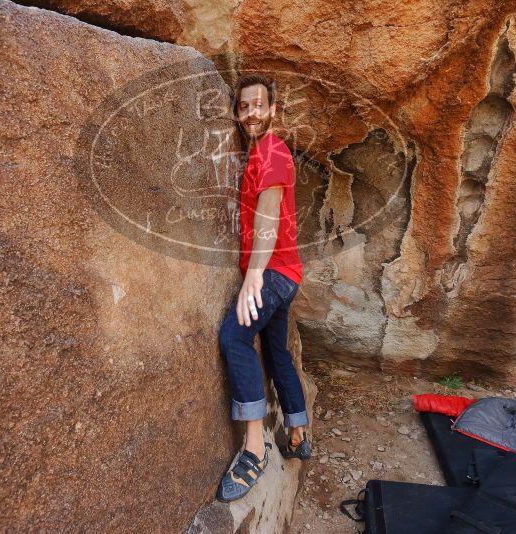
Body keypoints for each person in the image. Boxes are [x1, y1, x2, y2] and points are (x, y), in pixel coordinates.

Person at [216, 74, 311, 503]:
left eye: (259, 105)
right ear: (238, 113)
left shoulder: (272, 150)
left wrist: (254, 274)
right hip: (288, 274)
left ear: (273, 110)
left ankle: (254, 450)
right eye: (244, 106)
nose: (251, 113)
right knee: (276, 352)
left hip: (272, 272)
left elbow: (269, 218)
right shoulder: (262, 151)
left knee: (235, 337)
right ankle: (297, 429)